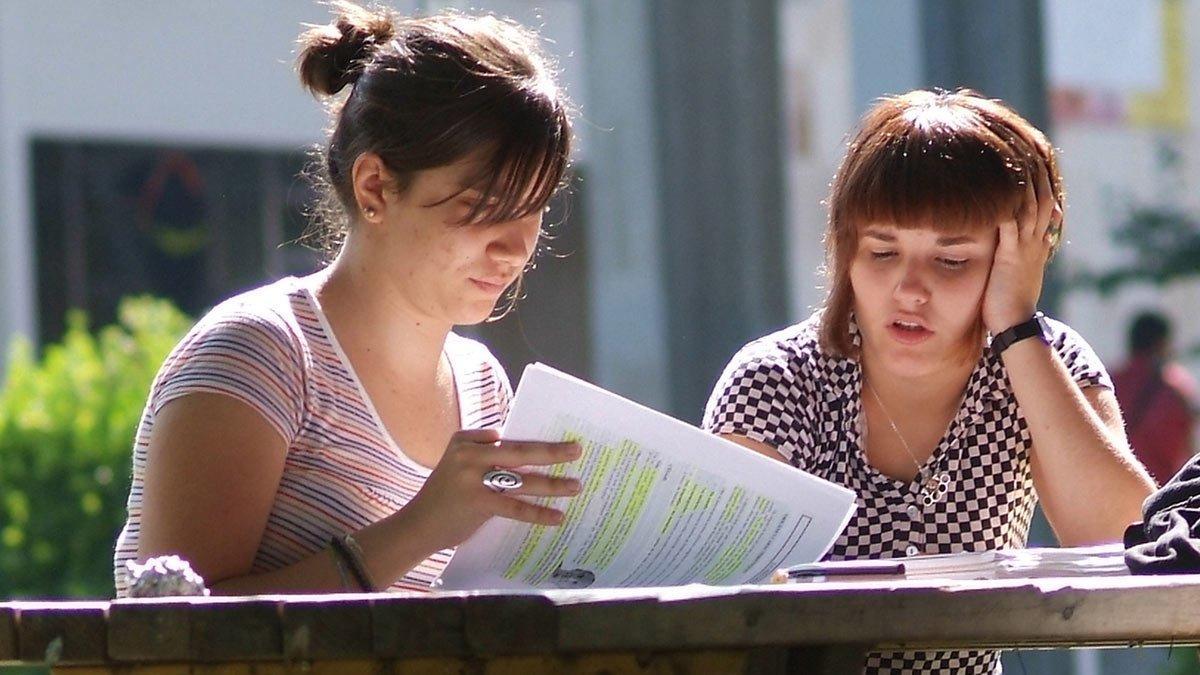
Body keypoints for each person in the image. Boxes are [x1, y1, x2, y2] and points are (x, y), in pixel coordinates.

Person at [114, 2, 581, 596]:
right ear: (375, 187)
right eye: (484, 209)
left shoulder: (483, 386)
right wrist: (419, 529)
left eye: (535, 209)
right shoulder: (259, 354)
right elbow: (172, 627)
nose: (515, 249)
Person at [703, 89, 1154, 675]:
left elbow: (1125, 545)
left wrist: (1018, 330)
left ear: (1016, 258)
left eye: (952, 261)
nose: (909, 291)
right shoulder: (778, 378)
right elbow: (728, 591)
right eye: (883, 252)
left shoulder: (1046, 363)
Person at [1111, 311, 1198, 485]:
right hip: (1164, 495)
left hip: (1117, 490)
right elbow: (1189, 452)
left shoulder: (1108, 383)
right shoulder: (1176, 387)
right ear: (1162, 343)